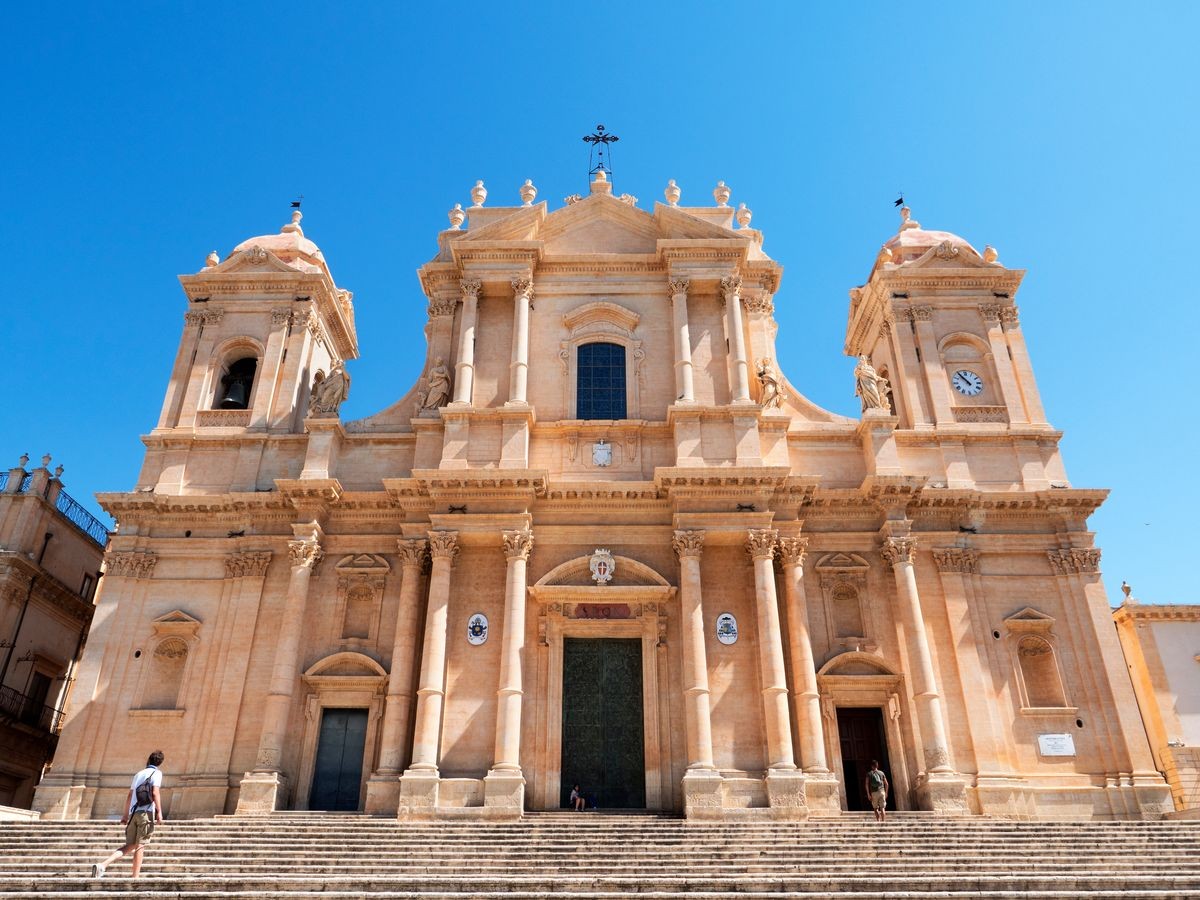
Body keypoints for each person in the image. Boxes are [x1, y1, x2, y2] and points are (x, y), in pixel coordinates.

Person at [91, 750, 164, 878]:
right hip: (146, 813)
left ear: (149, 759)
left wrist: (125, 815)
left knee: (129, 845)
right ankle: (135, 877)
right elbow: (155, 793)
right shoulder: (157, 773)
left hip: (133, 813)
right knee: (141, 846)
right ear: (160, 763)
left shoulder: (139, 774)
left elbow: (130, 795)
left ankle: (102, 865)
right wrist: (159, 812)